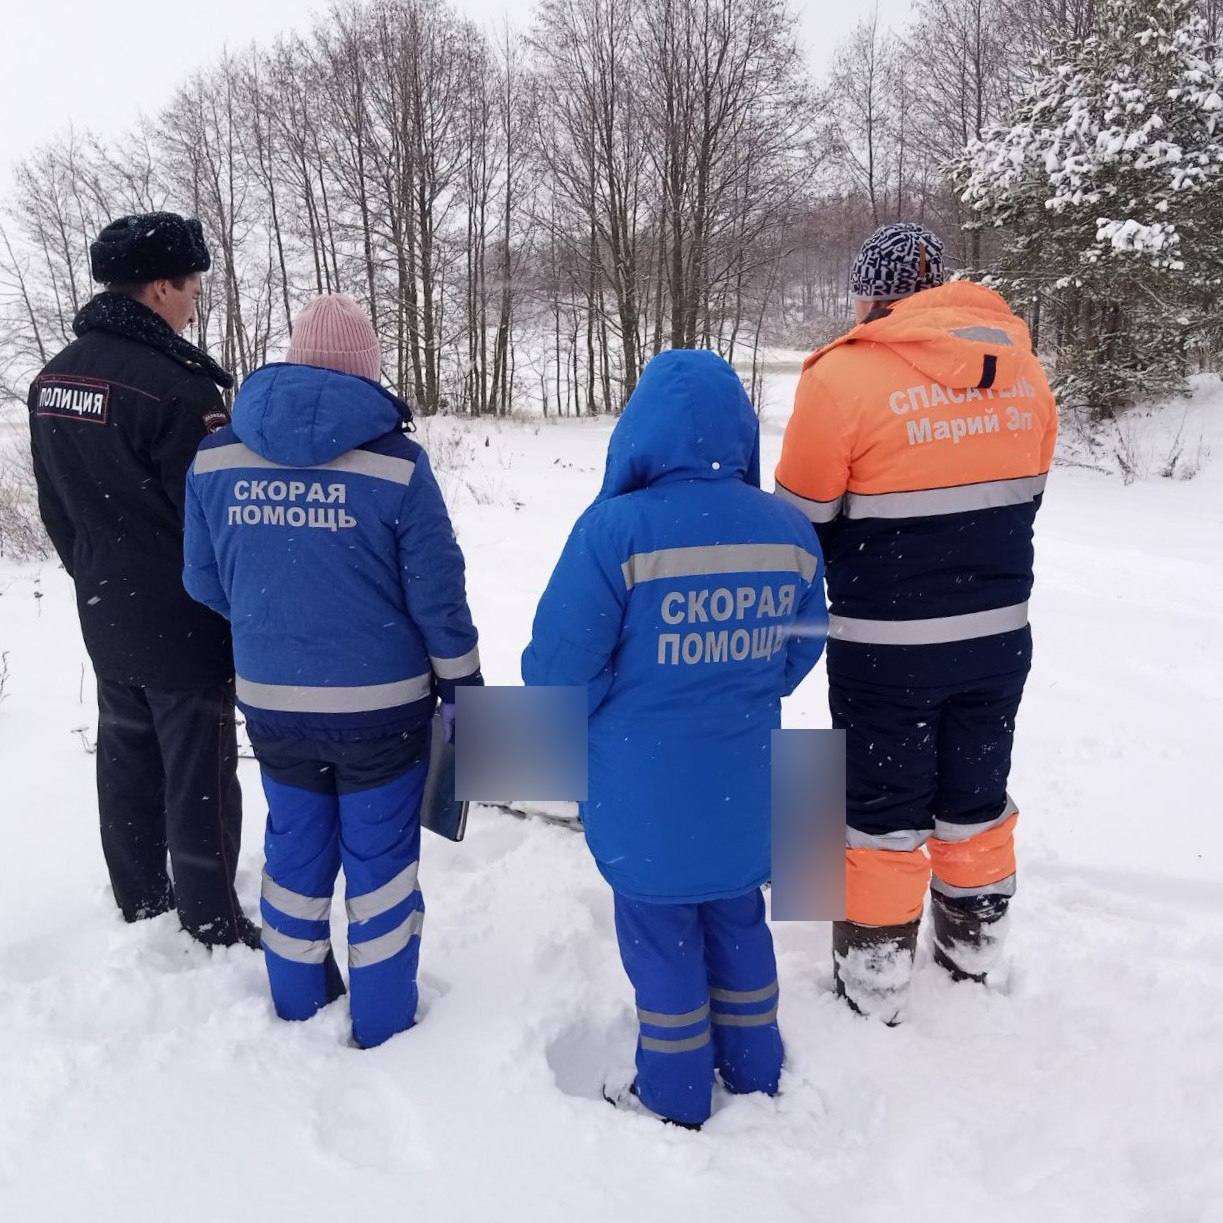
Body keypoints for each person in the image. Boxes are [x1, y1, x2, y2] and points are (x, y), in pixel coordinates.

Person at [523, 349, 827, 1129]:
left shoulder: (613, 531)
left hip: (642, 786)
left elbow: (559, 672)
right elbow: (800, 648)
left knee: (660, 936)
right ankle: (756, 1069)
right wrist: (737, 685)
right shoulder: (789, 530)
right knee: (737, 918)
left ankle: (673, 1091)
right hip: (750, 780)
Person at [774, 222, 1058, 1023]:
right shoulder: (1022, 371)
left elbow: (802, 517)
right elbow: (1024, 494)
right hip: (998, 635)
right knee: (975, 791)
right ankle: (972, 948)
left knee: (880, 807)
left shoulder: (843, 379)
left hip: (885, 644)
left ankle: (874, 975)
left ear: (873, 294)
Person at [182, 293, 481, 1049]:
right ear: (365, 374)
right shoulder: (396, 465)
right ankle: (382, 1024)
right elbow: (438, 598)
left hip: (273, 702)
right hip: (382, 709)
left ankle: (296, 1006)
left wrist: (273, 624)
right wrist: (463, 683)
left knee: (294, 851)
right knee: (379, 864)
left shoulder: (216, 458)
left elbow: (202, 580)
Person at [27, 212, 255, 948]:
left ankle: (139, 896)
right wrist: (228, 607)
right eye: (191, 286)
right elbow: (212, 520)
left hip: (105, 603)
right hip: (182, 611)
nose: (194, 300)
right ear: (160, 288)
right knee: (199, 772)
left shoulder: (55, 377)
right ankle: (212, 916)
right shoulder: (178, 391)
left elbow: (57, 508)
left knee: (127, 751)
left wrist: (93, 571)